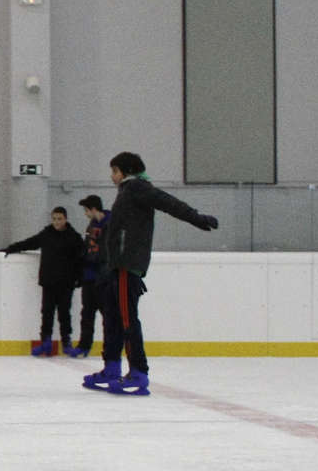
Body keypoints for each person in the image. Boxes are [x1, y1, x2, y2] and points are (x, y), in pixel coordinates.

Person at [83, 153, 218, 395]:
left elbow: (168, 202)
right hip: (116, 265)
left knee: (127, 319)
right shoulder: (127, 191)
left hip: (128, 264)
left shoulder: (138, 188)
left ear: (126, 171)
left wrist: (196, 217)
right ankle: (112, 367)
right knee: (112, 318)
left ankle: (138, 373)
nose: (111, 176)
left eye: (114, 171)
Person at [1, 206, 84, 357]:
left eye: (59, 219)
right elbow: (29, 243)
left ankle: (66, 343)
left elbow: (81, 259)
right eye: (54, 219)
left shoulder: (74, 238)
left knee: (64, 313)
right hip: (49, 281)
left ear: (65, 219)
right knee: (47, 312)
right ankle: (45, 342)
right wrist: (10, 248)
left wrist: (79, 278)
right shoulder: (47, 234)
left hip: (66, 282)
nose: (56, 222)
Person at [67, 194, 110, 357]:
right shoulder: (91, 225)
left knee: (107, 314)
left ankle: (110, 348)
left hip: (103, 277)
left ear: (93, 209)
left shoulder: (109, 224)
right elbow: (88, 248)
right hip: (89, 277)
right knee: (87, 313)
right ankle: (84, 346)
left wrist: (90, 259)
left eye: (86, 210)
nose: (85, 213)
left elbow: (106, 251)